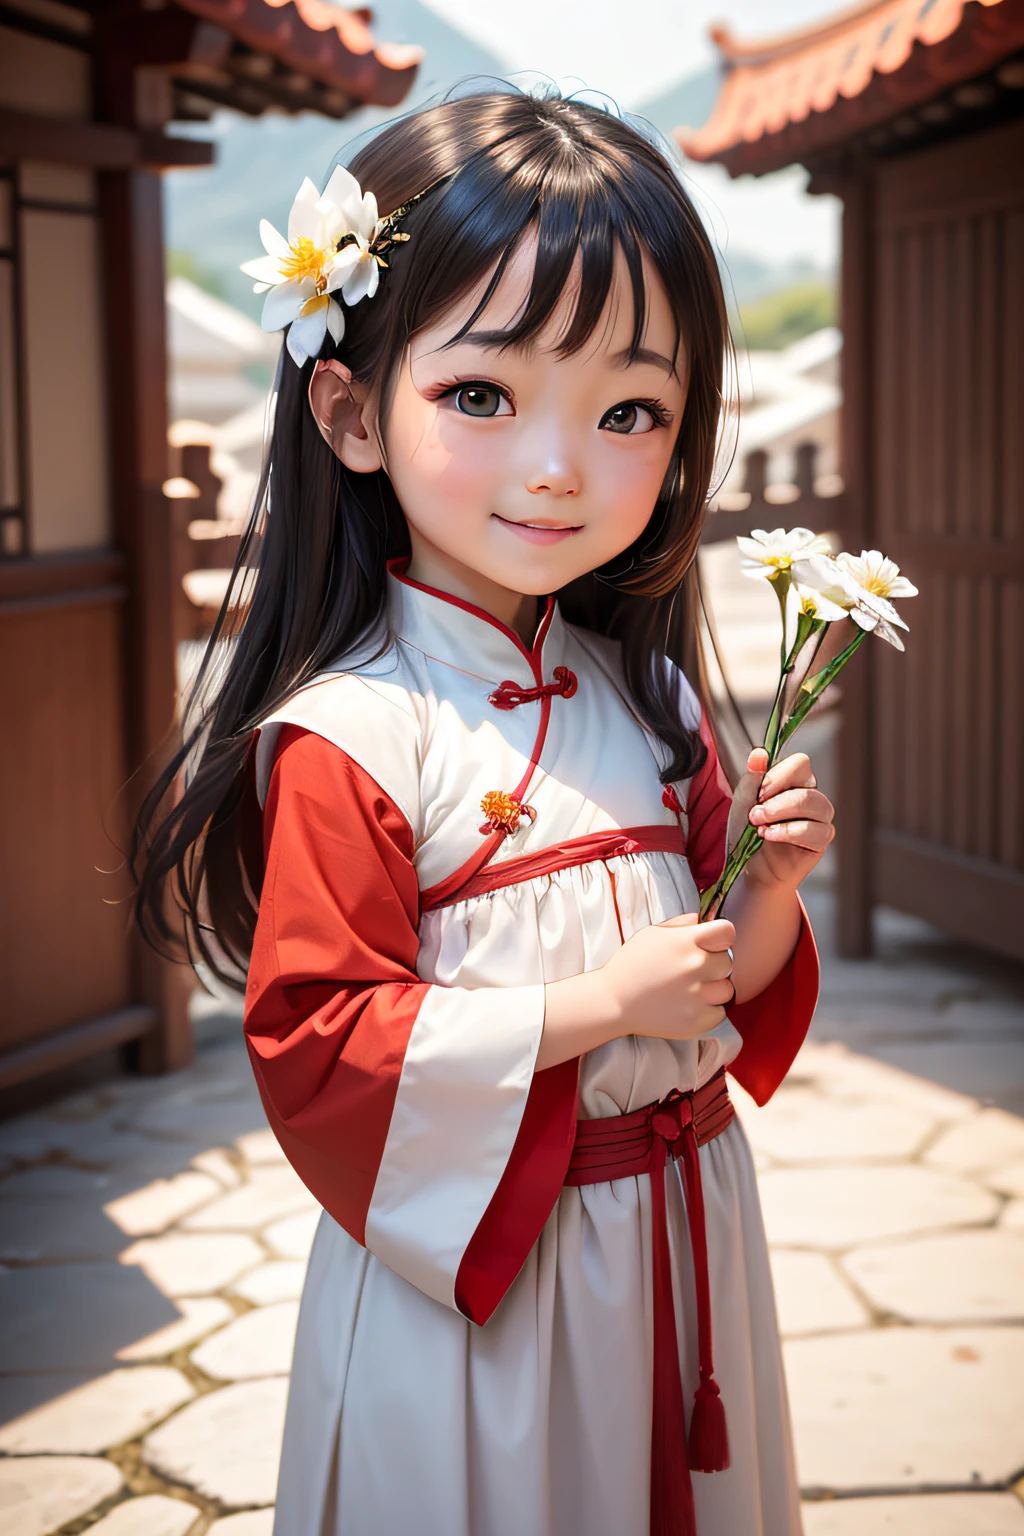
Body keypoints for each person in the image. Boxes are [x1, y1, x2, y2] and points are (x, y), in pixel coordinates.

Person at [134, 86, 832, 1536]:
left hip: (685, 1234)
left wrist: (764, 884)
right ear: (349, 408)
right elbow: (320, 1046)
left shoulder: (654, 702)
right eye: (481, 395)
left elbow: (718, 997)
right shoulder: (356, 736)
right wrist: (592, 1007)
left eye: (629, 409)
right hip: (483, 1277)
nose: (559, 464)